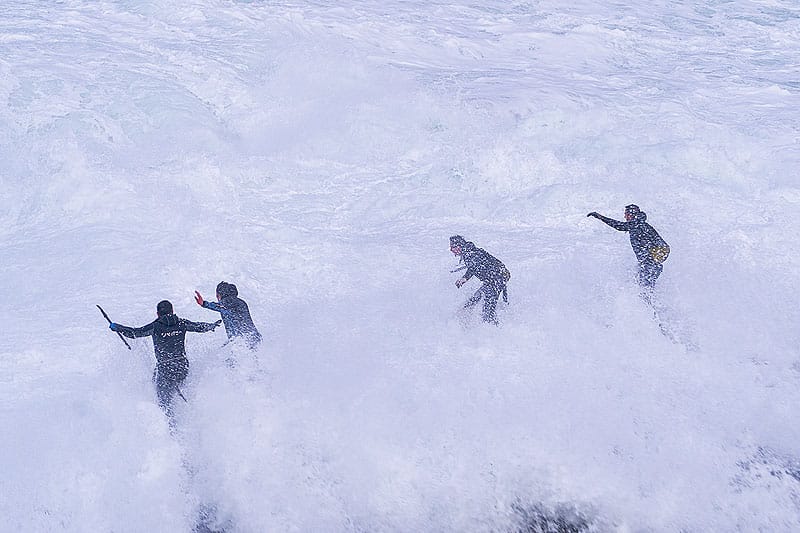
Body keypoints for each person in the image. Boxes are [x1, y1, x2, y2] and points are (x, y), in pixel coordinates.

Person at [109, 300, 221, 417]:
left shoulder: (155, 326)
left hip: (165, 368)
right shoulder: (181, 323)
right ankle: (190, 413)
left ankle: (170, 425)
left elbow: (135, 333)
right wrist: (211, 325)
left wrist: (118, 328)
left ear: (158, 314)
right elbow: (199, 327)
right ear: (172, 311)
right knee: (180, 389)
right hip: (182, 366)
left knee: (164, 401)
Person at [587, 204, 670, 290]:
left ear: (631, 214)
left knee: (644, 288)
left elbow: (619, 226)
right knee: (642, 286)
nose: (624, 216)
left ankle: (649, 302)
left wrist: (600, 217)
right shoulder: (639, 224)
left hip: (649, 263)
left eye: (626, 214)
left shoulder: (637, 224)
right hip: (650, 264)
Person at [450, 235, 511, 325]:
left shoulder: (470, 253)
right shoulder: (469, 252)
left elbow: (474, 267)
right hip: (492, 281)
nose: (451, 250)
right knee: (473, 301)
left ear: (459, 246)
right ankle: (465, 324)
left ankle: (495, 332)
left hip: (495, 281)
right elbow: (473, 266)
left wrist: (464, 278)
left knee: (488, 312)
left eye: (452, 247)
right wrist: (464, 278)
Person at [194, 281, 262, 349]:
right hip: (252, 338)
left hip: (245, 342)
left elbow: (220, 306)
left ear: (219, 294)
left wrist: (204, 303)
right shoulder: (240, 302)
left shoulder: (228, 301)